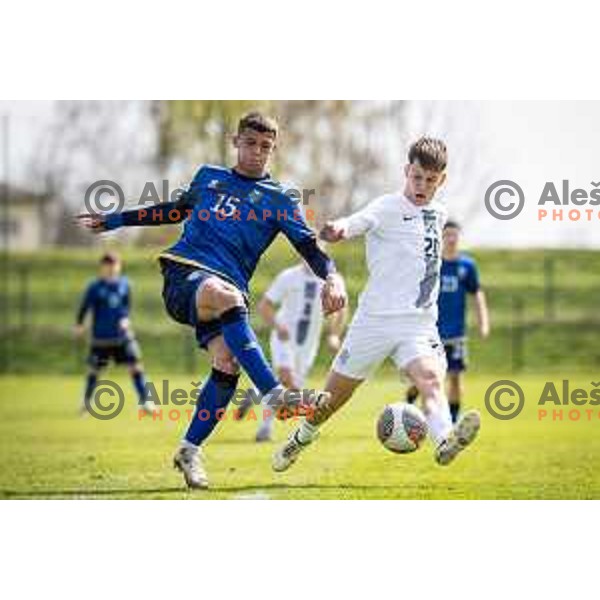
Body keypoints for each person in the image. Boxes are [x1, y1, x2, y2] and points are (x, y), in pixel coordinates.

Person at [77, 111, 347, 489]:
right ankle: (274, 396)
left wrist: (333, 277)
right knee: (225, 295)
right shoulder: (209, 177)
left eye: (265, 147)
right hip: (185, 275)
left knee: (227, 363)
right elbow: (172, 210)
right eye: (250, 143)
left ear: (273, 150)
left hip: (225, 296)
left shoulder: (281, 200)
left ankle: (189, 449)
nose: (256, 152)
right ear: (236, 142)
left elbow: (310, 248)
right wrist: (117, 220)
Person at [272, 137, 480, 474]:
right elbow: (355, 222)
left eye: (430, 180)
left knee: (429, 379)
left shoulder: (439, 214)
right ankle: (300, 438)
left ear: (441, 180)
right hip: (373, 323)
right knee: (331, 401)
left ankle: (444, 440)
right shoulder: (386, 207)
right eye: (416, 177)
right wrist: (336, 229)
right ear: (406, 172)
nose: (421, 186)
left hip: (418, 325)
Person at [238, 261, 346, 441]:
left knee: (289, 390)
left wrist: (334, 334)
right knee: (287, 380)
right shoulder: (288, 276)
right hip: (284, 339)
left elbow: (341, 310)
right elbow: (265, 306)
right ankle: (264, 430)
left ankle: (256, 391)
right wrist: (278, 326)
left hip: (308, 345)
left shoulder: (333, 280)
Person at [406, 221, 490, 422]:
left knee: (454, 376)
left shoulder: (467, 266)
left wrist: (483, 322)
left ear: (459, 237)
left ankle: (452, 423)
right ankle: (407, 408)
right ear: (441, 238)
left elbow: (477, 293)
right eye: (447, 235)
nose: (451, 239)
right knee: (423, 378)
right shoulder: (432, 264)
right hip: (430, 333)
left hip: (456, 334)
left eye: (454, 235)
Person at [75, 252, 154, 416]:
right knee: (94, 371)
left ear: (119, 266)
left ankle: (146, 403)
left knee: (136, 366)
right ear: (102, 268)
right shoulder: (95, 287)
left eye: (114, 265)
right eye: (107, 266)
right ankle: (86, 404)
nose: (111, 269)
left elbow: (126, 307)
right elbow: (84, 307)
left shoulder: (125, 284)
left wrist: (125, 319)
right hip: (101, 339)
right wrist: (79, 323)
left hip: (122, 337)